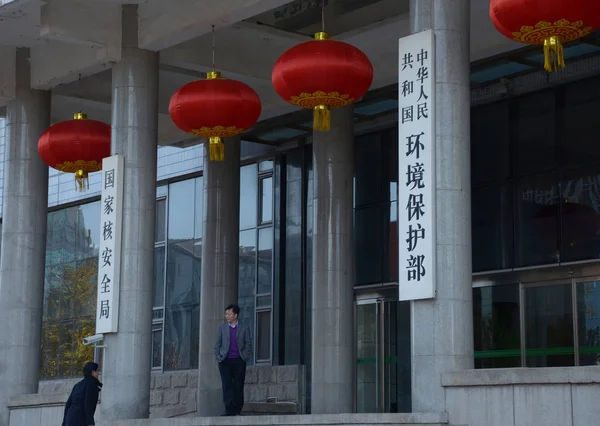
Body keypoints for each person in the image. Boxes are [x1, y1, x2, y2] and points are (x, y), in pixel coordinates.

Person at [214, 303, 252, 416]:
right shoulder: (222, 327)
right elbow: (217, 344)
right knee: (227, 386)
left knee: (238, 385)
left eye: (229, 313)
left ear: (235, 315)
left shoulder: (244, 328)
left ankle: (237, 410)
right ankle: (229, 410)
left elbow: (248, 344)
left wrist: (244, 357)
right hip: (225, 361)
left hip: (239, 361)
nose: (227, 316)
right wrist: (218, 357)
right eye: (226, 314)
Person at [62, 362, 103, 426]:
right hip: (80, 420)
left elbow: (68, 404)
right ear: (92, 372)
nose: (98, 373)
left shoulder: (78, 385)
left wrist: (64, 422)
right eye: (97, 370)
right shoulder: (91, 384)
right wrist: (90, 423)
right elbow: (88, 404)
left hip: (70, 419)